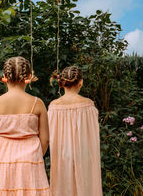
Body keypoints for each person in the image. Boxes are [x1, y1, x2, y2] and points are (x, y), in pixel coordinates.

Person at [0, 56, 50, 195]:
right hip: (30, 159)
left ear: (4, 76)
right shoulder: (37, 103)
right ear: (29, 76)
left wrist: (1, 154)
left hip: (1, 158)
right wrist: (35, 156)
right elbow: (45, 139)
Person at [48, 66, 102, 196]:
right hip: (84, 155)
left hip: (61, 155)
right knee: (86, 186)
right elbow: (93, 136)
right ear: (81, 82)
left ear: (62, 82)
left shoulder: (53, 106)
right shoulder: (88, 105)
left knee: (62, 186)